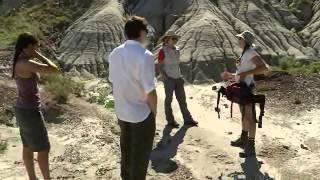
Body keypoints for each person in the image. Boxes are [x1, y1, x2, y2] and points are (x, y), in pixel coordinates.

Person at [107, 16, 157, 180]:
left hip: (122, 112)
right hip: (141, 114)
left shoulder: (115, 53)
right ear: (141, 32)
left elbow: (113, 81)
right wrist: (154, 113)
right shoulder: (146, 55)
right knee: (140, 157)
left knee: (126, 152)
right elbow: (150, 91)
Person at [13, 33, 59, 180]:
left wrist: (34, 53)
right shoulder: (25, 64)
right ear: (26, 47)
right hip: (30, 111)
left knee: (28, 146)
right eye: (34, 47)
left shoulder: (21, 61)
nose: (36, 50)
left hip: (22, 109)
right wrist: (39, 55)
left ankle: (33, 178)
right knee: (44, 148)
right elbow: (53, 69)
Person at [221, 30, 268, 157]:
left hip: (247, 88)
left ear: (245, 41)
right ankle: (243, 139)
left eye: (240, 39)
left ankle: (251, 147)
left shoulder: (250, 53)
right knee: (244, 116)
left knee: (250, 117)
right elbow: (243, 72)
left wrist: (245, 74)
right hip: (242, 87)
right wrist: (231, 76)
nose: (238, 40)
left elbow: (264, 67)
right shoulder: (245, 54)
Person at [157, 31, 198, 128]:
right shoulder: (162, 51)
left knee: (182, 100)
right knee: (168, 100)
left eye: (176, 38)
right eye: (173, 38)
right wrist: (163, 75)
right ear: (167, 39)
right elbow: (159, 65)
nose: (175, 40)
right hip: (169, 78)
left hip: (178, 77)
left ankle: (188, 120)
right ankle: (170, 121)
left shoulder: (177, 49)